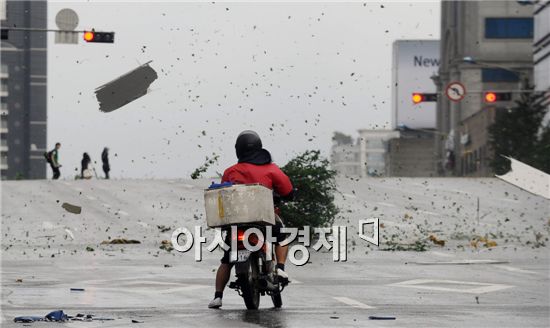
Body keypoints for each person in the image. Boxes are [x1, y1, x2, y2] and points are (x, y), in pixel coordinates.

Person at [208, 130, 294, 309]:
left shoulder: (230, 171)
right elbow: (287, 190)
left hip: (237, 222)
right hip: (264, 219)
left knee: (226, 260)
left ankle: (218, 296)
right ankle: (281, 269)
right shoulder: (271, 168)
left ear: (238, 150)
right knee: (283, 238)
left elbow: (224, 192)